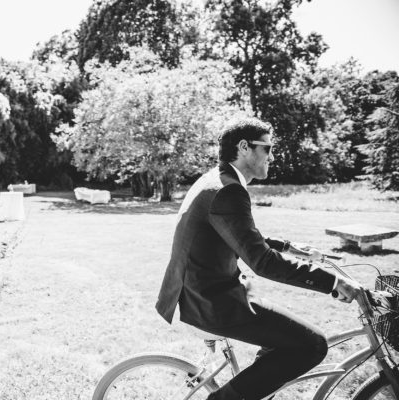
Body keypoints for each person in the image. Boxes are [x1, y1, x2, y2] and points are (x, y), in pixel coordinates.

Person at [155, 117, 361, 400]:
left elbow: (236, 235)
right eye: (268, 148)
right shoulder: (228, 190)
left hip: (203, 292)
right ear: (243, 147)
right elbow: (262, 262)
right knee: (312, 345)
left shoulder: (216, 180)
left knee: (281, 346)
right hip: (212, 301)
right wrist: (333, 281)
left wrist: (288, 246)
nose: (272, 157)